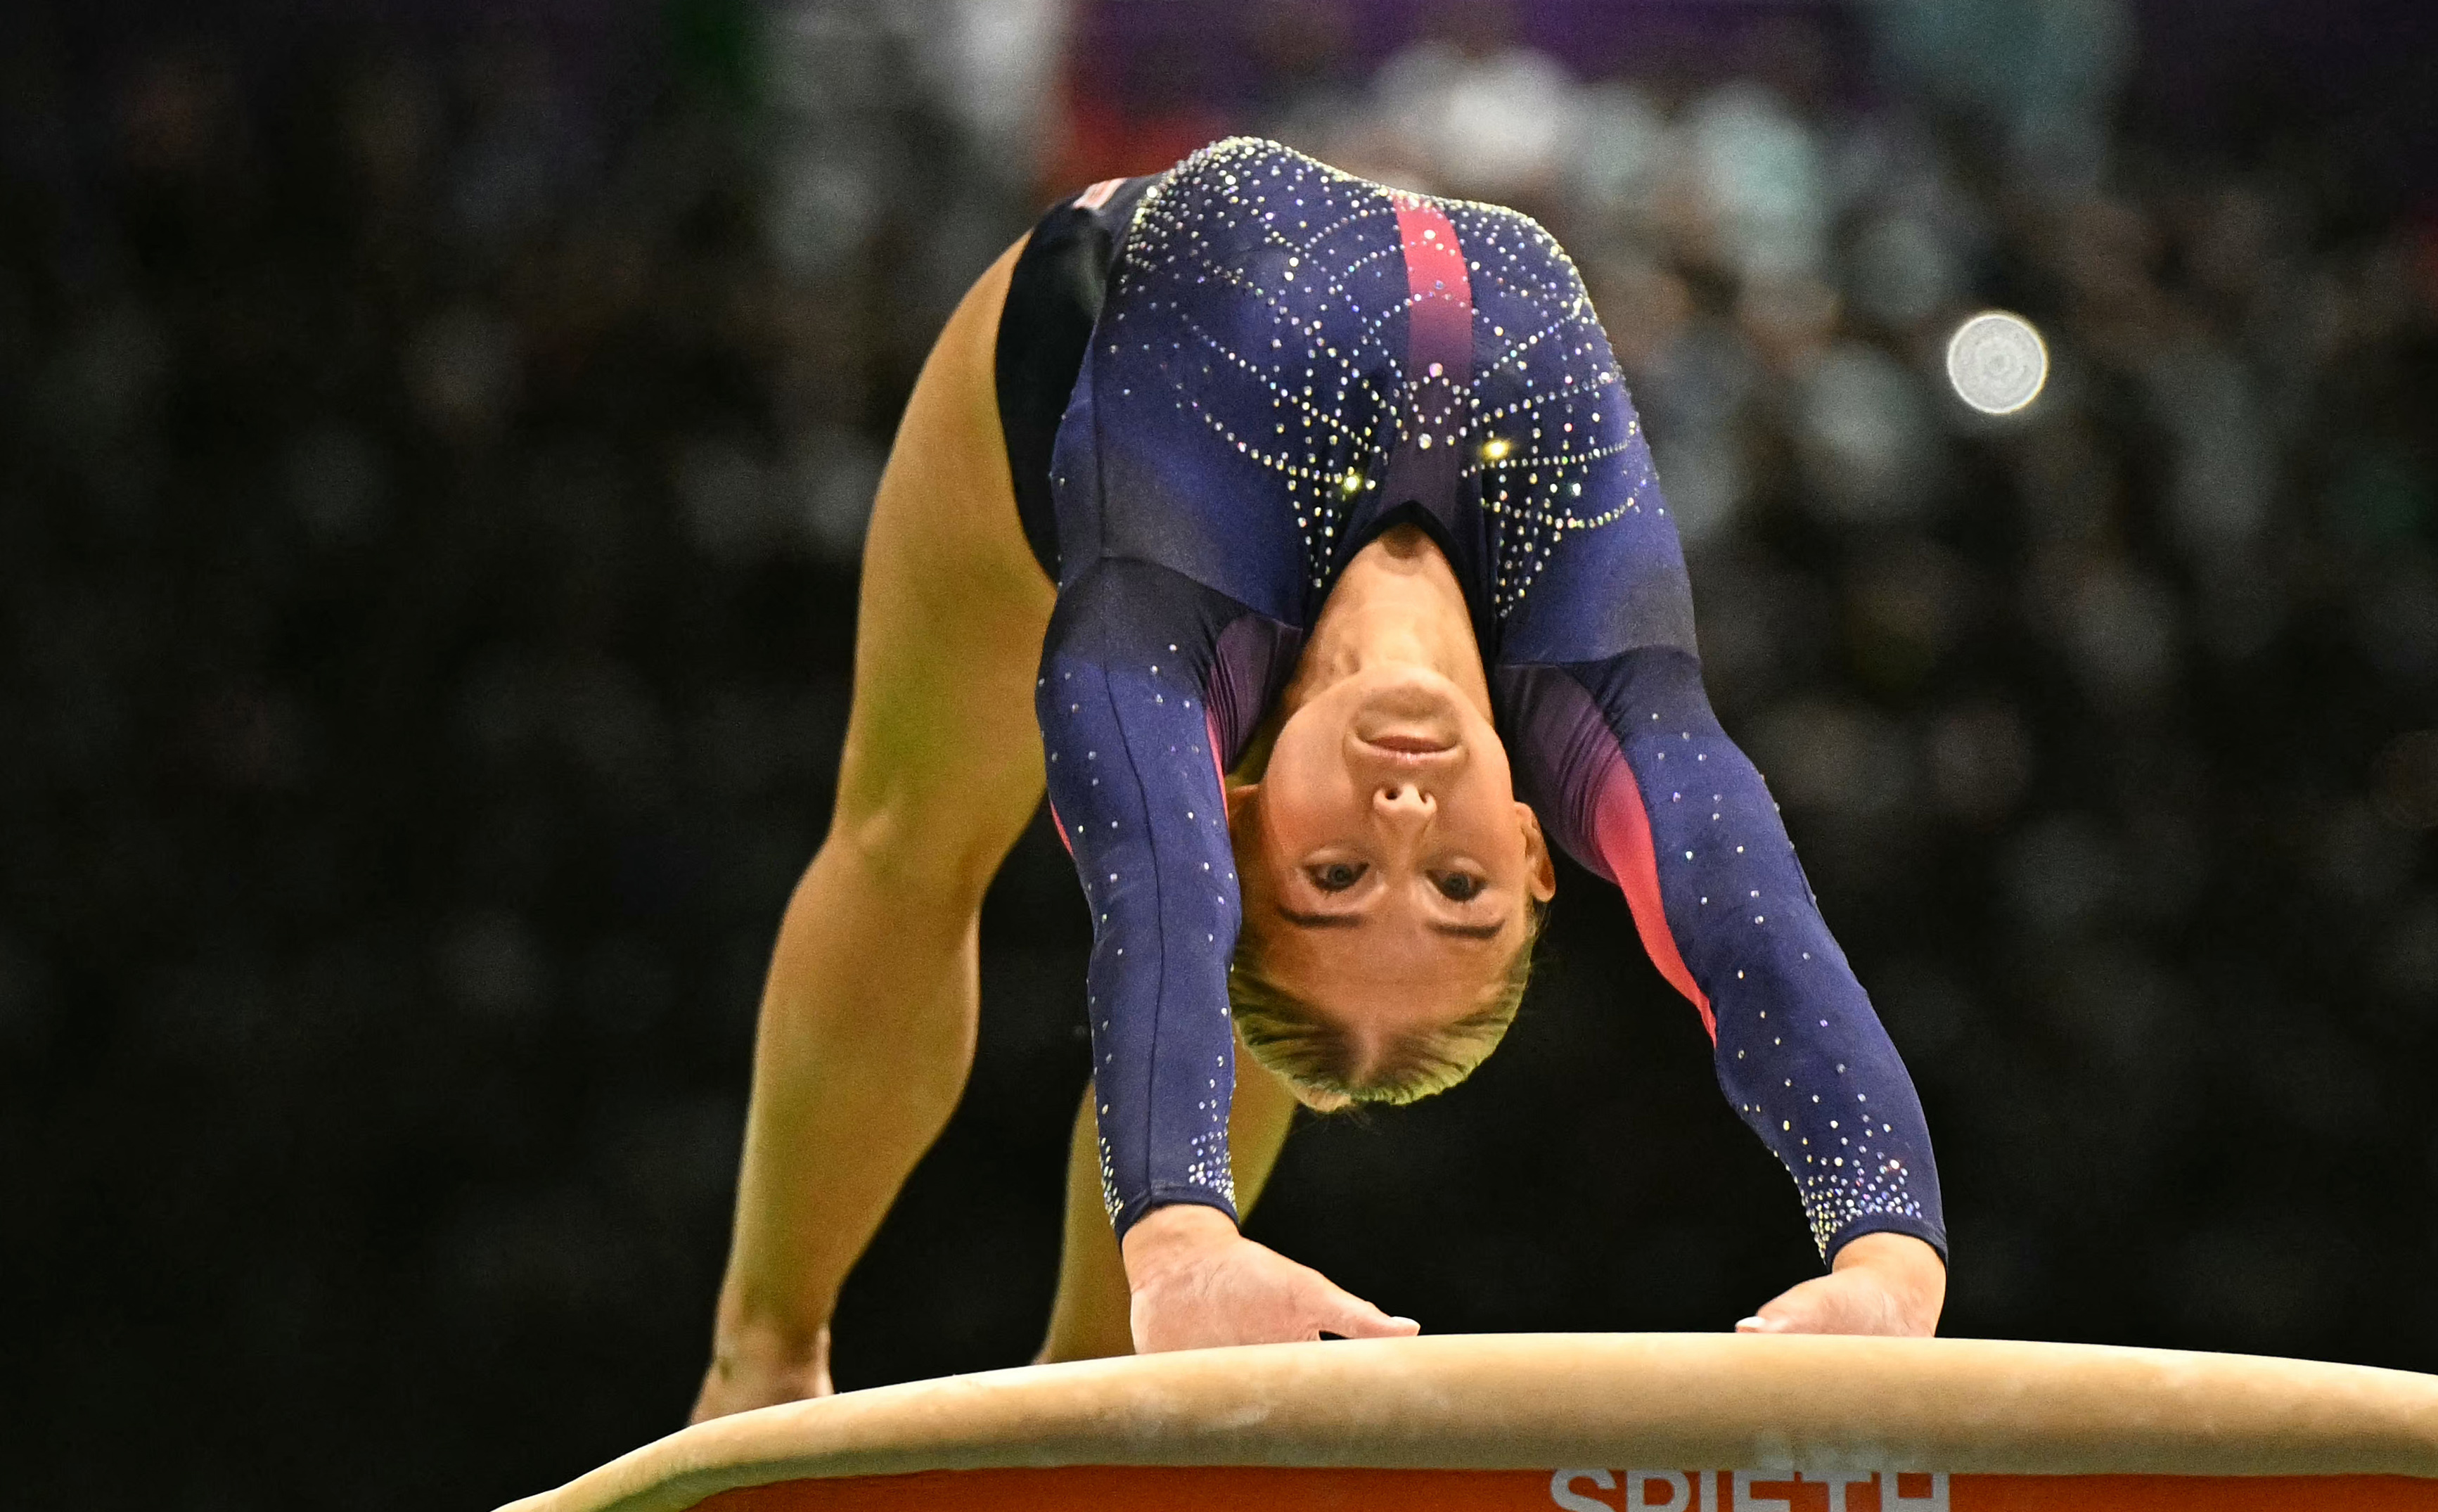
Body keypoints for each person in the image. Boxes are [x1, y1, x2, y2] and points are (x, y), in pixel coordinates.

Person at [689, 139, 1947, 1424]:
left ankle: (1009, 1392)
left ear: (1234, 823)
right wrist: (1890, 1259)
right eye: (1458, 886)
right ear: (1528, 853)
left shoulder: (1160, 660)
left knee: (918, 836)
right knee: (923, 845)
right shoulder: (1603, 692)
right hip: (1235, 444)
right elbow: (1761, 943)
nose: (1404, 822)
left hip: (1071, 368)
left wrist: (1181, 1244)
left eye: (1337, 876)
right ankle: (770, 1350)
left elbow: (1161, 895)